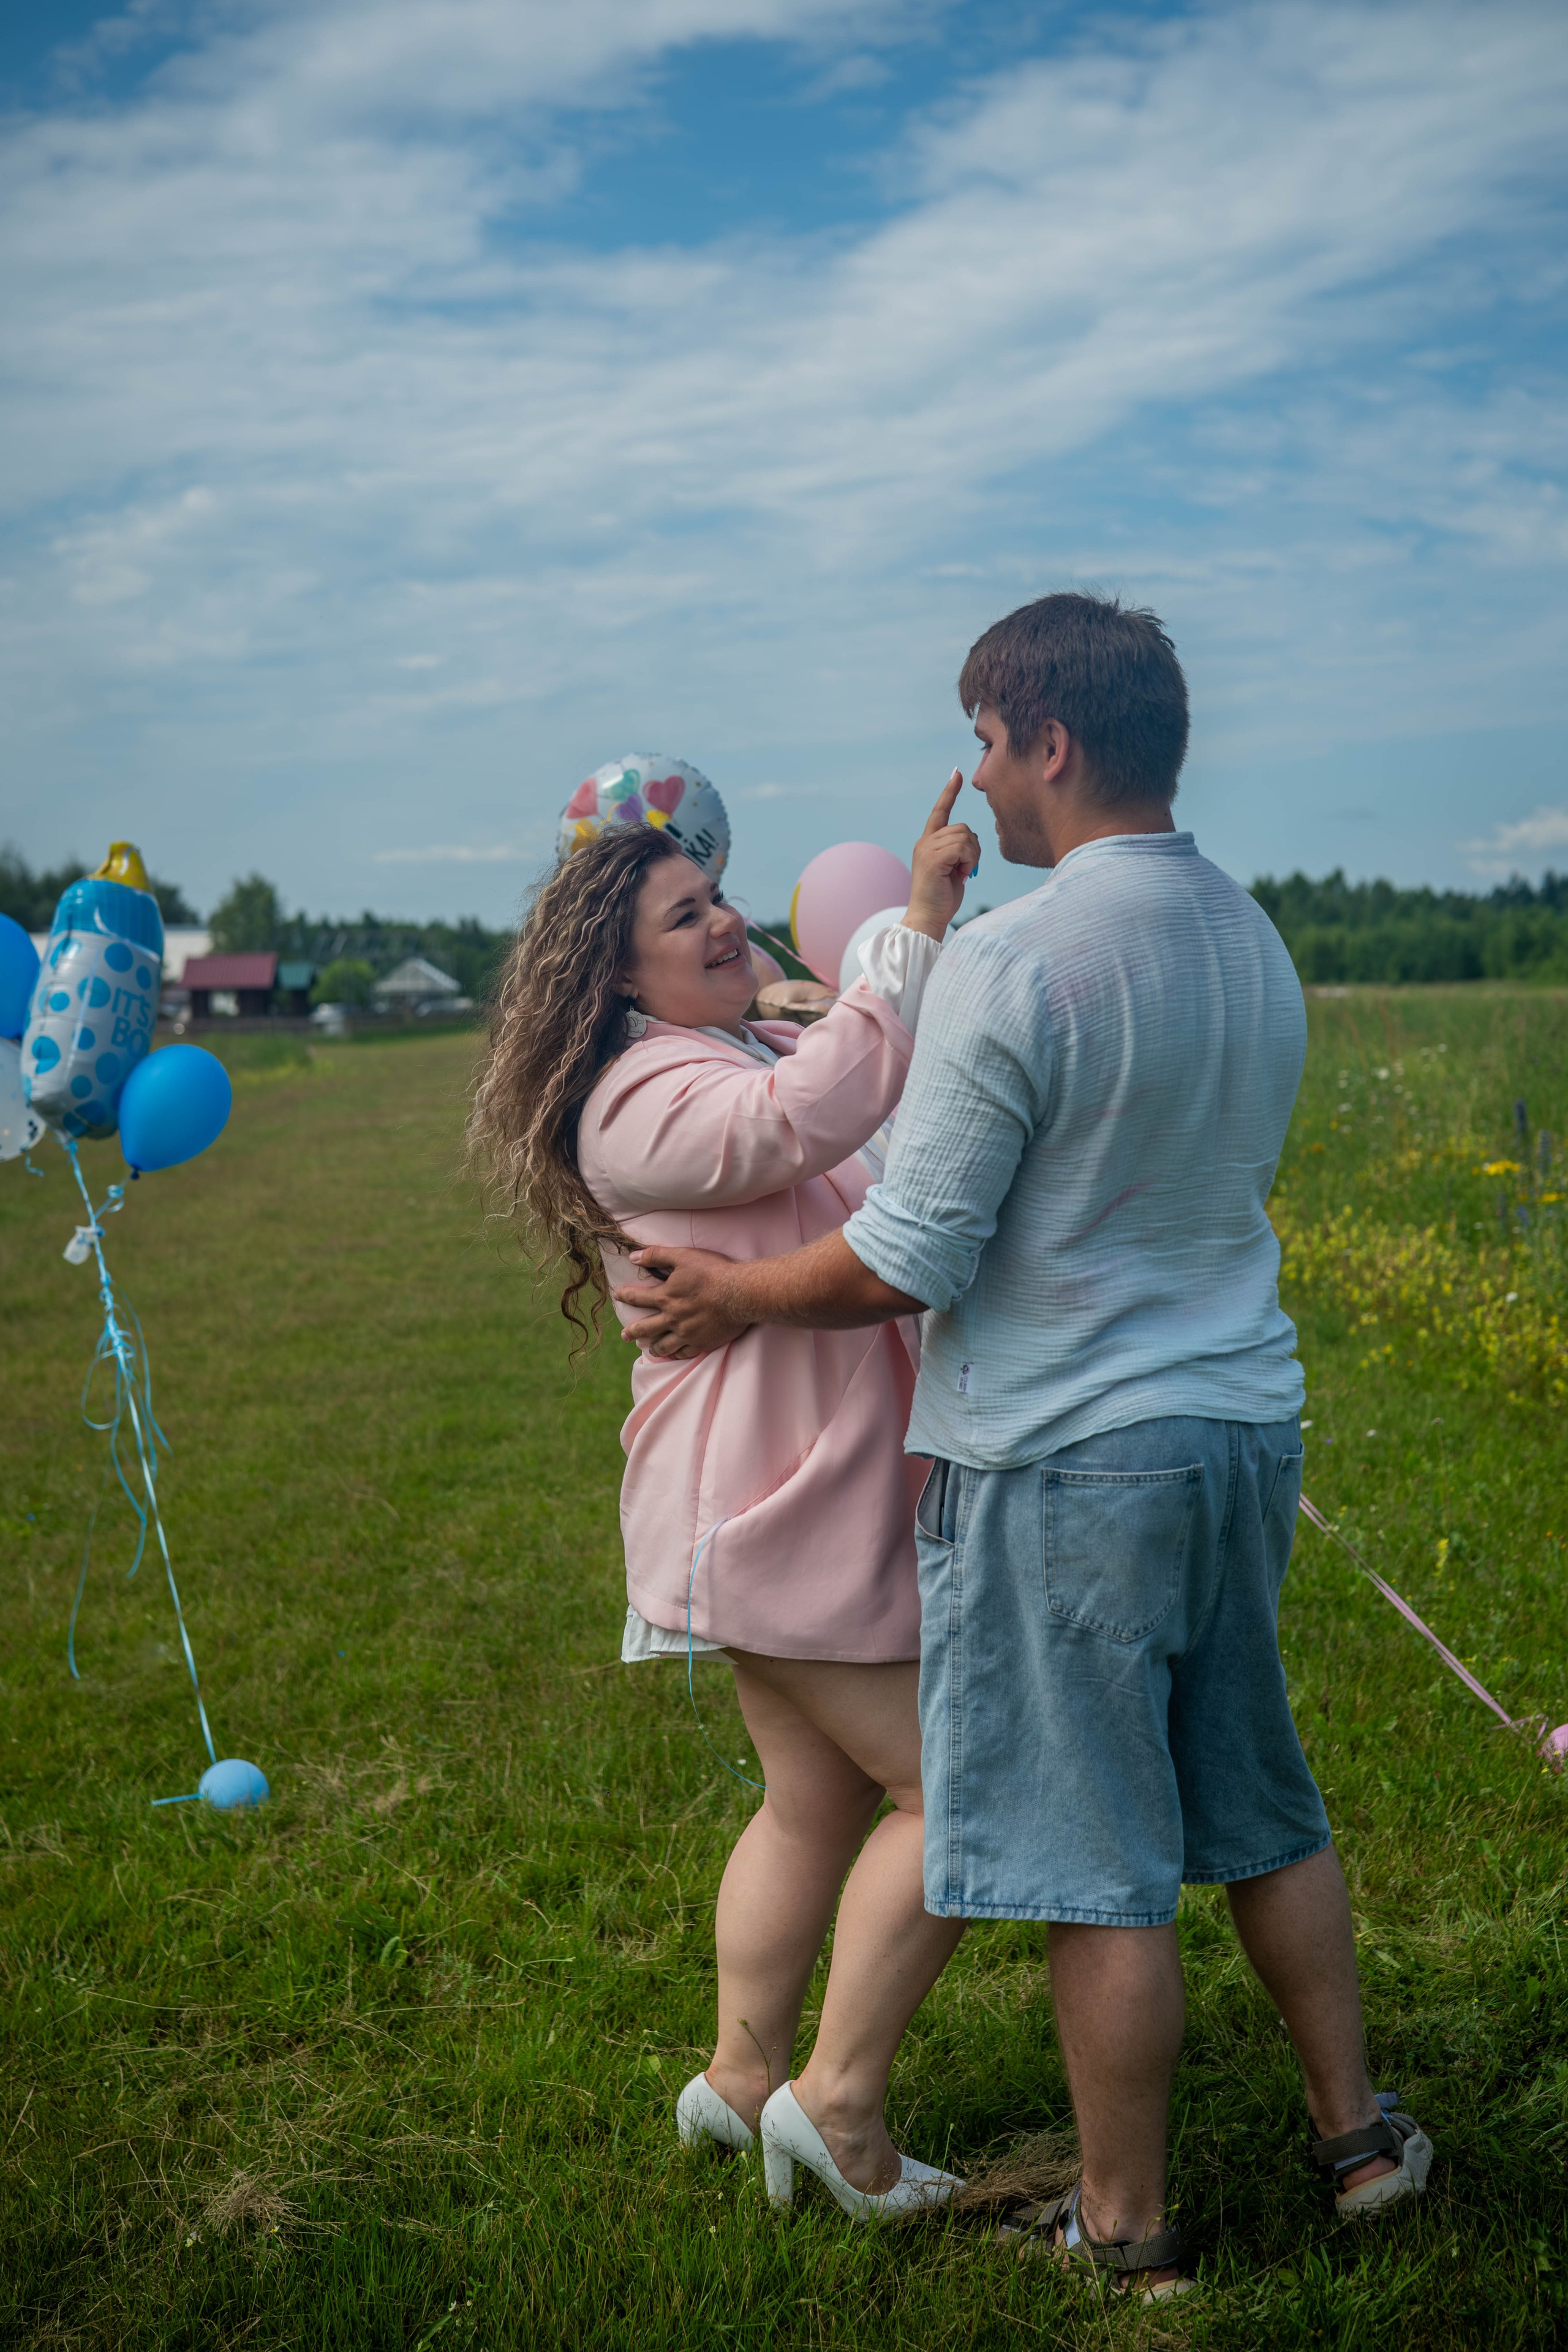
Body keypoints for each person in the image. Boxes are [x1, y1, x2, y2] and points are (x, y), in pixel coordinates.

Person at [614, 593, 1433, 2301]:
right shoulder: (1255, 939)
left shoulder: (1016, 961)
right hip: (1243, 1434)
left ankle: (1126, 2239)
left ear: (1051, 743)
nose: (980, 778)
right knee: (1267, 1809)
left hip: (1070, 1465)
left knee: (1099, 1871)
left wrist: (740, 1299)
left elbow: (913, 1252)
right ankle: (1358, 2143)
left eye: (987, 740)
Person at [468, 783, 981, 2218]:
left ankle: (738, 2085)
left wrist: (854, 996)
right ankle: (840, 2113)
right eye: (681, 915)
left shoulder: (727, 1043)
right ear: (610, 974)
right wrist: (915, 929)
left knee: (810, 1804)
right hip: (769, 1507)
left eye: (717, 898)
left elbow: (847, 1111)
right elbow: (807, 1118)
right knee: (959, 1793)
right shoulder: (640, 1095)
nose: (723, 921)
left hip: (799, 1495)